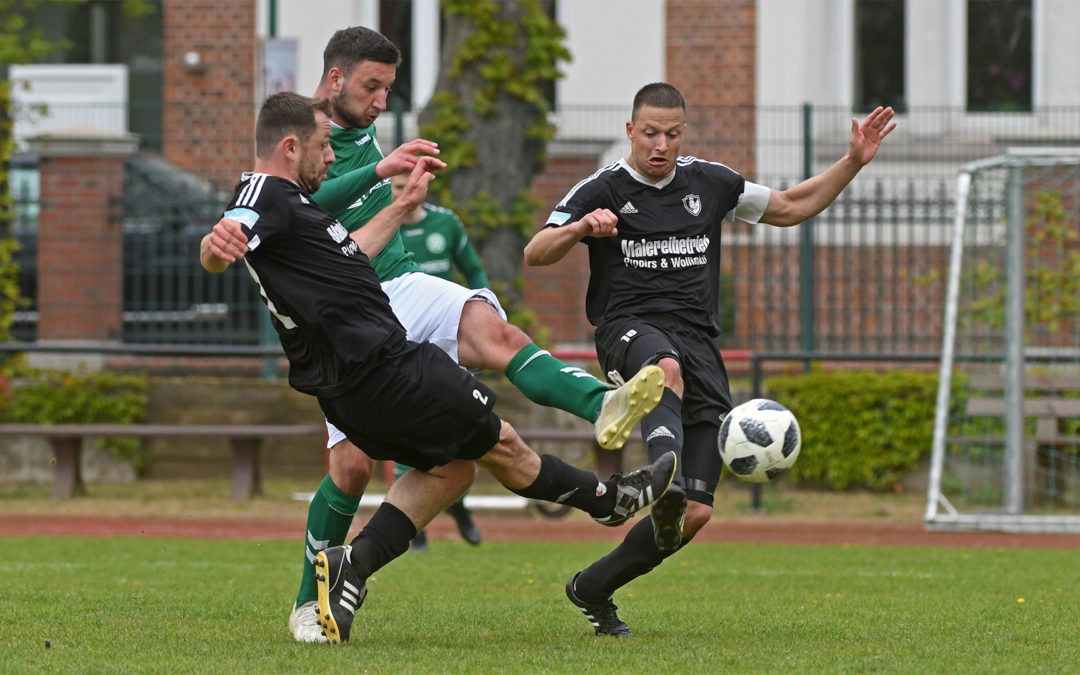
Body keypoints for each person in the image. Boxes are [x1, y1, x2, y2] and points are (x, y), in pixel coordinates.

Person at [200, 91, 679, 646]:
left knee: (454, 471)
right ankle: (609, 500)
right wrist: (218, 244)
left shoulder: (300, 212)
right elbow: (226, 235)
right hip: (387, 367)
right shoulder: (265, 193)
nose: (332, 158)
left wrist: (401, 206)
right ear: (289, 146)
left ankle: (352, 566)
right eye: (324, 146)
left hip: (354, 387)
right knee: (503, 445)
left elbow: (350, 255)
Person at [523, 82, 896, 637]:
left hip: (699, 344)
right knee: (661, 371)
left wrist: (852, 161)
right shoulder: (601, 188)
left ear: (683, 134)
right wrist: (580, 228)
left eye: (672, 134)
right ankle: (659, 473)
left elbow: (792, 207)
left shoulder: (712, 183)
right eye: (650, 133)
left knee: (695, 513)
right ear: (631, 131)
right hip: (630, 331)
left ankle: (593, 587)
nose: (661, 144)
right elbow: (535, 253)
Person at [392, 171, 489, 551]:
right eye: (397, 187)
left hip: (447, 341)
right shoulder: (381, 229)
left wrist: (485, 311)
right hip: (403, 346)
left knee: (456, 429)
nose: (406, 193)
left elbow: (474, 270)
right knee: (404, 428)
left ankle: (458, 506)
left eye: (410, 184)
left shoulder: (445, 224)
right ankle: (414, 530)